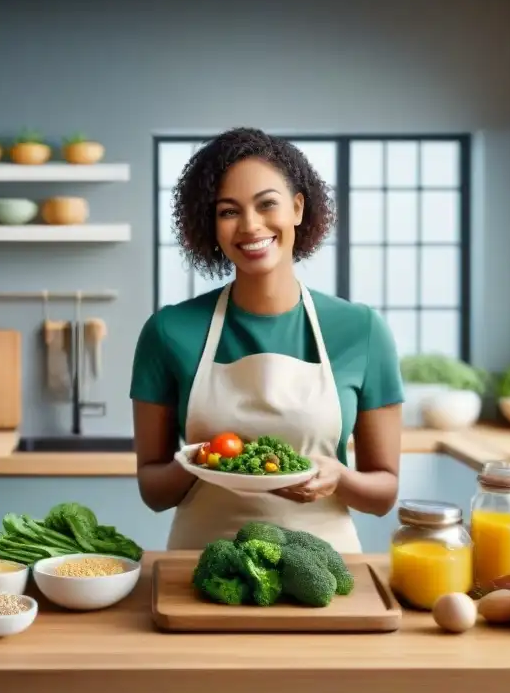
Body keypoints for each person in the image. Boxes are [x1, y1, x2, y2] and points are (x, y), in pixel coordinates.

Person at [130, 127, 405, 552]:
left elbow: (383, 494)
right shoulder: (169, 331)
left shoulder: (362, 330)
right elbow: (153, 491)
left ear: (297, 208)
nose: (250, 226)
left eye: (267, 204)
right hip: (200, 568)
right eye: (228, 211)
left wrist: (339, 477)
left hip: (325, 573)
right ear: (213, 226)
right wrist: (203, 460)